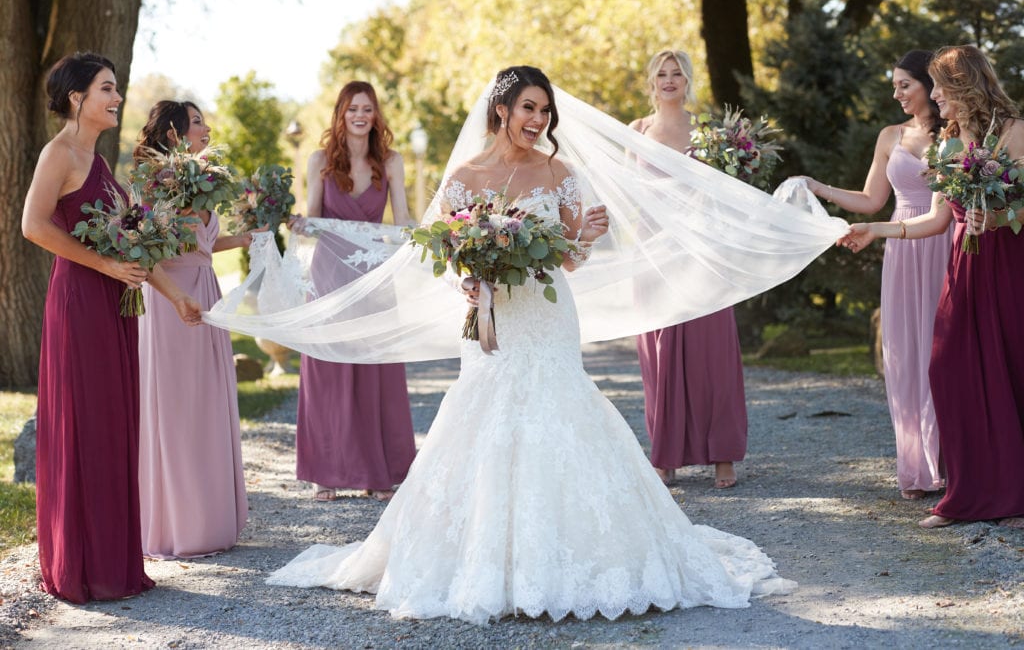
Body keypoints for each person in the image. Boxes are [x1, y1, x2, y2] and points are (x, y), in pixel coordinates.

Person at [265, 66, 795, 624]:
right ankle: (483, 554)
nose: (537, 121)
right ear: (502, 110)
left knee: (559, 408)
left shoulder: (558, 171)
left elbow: (568, 257)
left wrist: (585, 235)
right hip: (491, 317)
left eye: (544, 112)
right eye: (528, 109)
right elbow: (445, 255)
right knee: (483, 415)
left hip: (546, 313)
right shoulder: (465, 176)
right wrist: (465, 283)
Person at [21, 52, 202, 603]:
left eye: (115, 88)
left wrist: (174, 296)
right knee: (88, 424)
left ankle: (113, 560)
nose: (117, 97)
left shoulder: (98, 161)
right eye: (107, 88)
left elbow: (133, 245)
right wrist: (101, 267)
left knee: (115, 424)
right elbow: (32, 226)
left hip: (116, 307)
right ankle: (83, 564)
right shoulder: (59, 153)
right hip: (79, 304)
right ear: (77, 98)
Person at [838, 45, 1024, 529]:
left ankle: (1012, 492)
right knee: (949, 371)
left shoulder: (1015, 132)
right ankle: (969, 493)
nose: (935, 95)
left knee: (1011, 369)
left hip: (1008, 266)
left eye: (940, 85)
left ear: (965, 85)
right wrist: (878, 229)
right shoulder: (950, 142)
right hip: (963, 264)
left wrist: (1002, 215)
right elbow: (939, 218)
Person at [794, 50, 951, 500]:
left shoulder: (956, 133)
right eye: (895, 85)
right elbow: (869, 200)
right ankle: (918, 464)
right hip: (903, 251)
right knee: (905, 351)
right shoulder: (890, 136)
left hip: (945, 242)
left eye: (905, 84)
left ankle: (952, 460)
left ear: (929, 85)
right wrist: (817, 187)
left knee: (945, 348)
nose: (897, 93)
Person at [134, 101, 249, 558]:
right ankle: (176, 523)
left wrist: (241, 238)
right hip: (169, 301)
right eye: (197, 121)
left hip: (208, 291)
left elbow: (200, 244)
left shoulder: (203, 181)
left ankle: (212, 516)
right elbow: (151, 246)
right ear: (177, 134)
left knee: (207, 401)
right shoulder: (156, 186)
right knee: (177, 405)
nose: (206, 127)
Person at [292, 82, 416, 502]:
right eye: (352, 109)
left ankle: (379, 473)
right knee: (327, 369)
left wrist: (433, 233)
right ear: (340, 115)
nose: (360, 115)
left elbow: (401, 222)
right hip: (328, 275)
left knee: (374, 369)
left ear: (376, 115)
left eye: (367, 109)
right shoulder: (320, 161)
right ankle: (325, 473)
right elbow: (313, 219)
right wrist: (293, 223)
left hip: (374, 275)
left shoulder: (392, 162)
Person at [630, 50, 748, 489]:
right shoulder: (637, 131)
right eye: (661, 73)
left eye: (676, 73)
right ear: (651, 81)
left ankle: (723, 456)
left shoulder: (708, 131)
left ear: (687, 80)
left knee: (713, 352)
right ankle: (666, 456)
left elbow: (725, 192)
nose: (669, 79)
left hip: (702, 254)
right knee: (659, 357)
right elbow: (627, 191)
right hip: (653, 256)